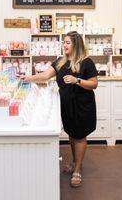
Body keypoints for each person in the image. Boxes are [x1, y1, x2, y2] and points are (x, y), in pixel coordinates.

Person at [22, 31, 98, 188]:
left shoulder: (86, 62)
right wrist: (27, 78)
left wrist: (77, 80)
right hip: (66, 104)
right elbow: (44, 76)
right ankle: (75, 161)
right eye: (64, 42)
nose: (65, 45)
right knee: (71, 133)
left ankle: (77, 169)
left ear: (76, 44)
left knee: (80, 135)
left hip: (82, 105)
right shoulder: (60, 61)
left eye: (68, 42)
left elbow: (94, 84)